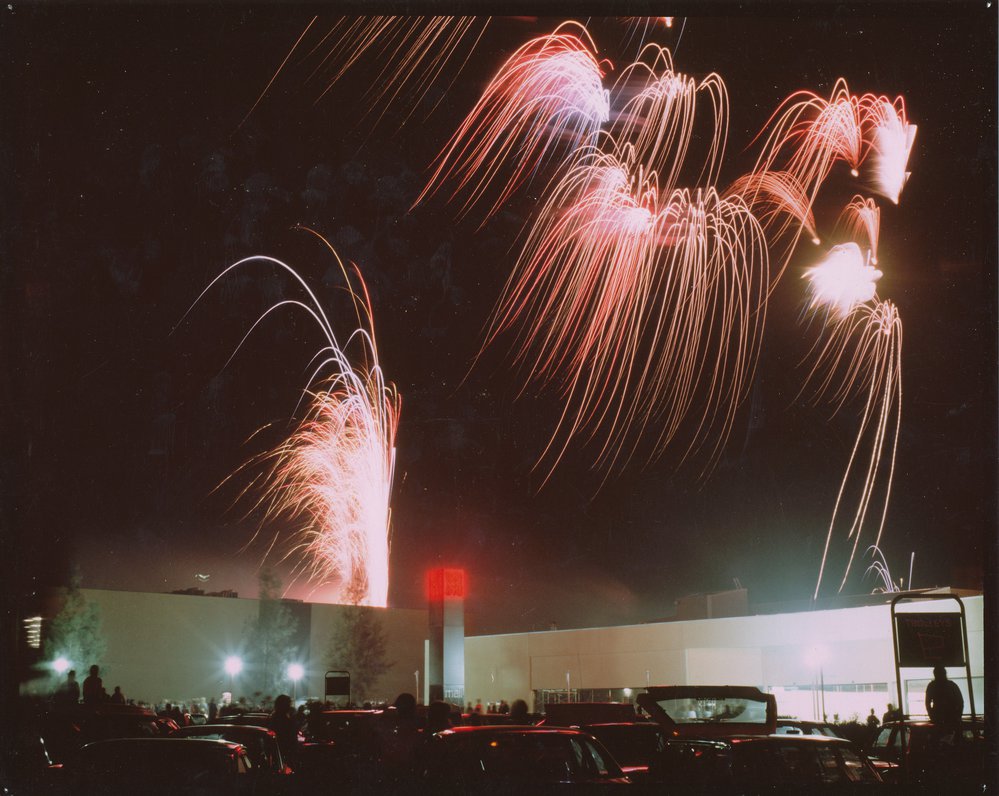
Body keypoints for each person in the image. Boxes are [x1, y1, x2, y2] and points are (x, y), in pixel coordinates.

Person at [926, 665, 963, 736]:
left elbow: (927, 703)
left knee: (939, 737)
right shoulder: (952, 685)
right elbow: (960, 702)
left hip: (939, 717)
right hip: (951, 716)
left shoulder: (932, 686)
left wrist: (932, 716)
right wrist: (958, 716)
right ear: (945, 673)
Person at [270, 694, 298, 764]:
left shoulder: (272, 719)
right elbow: (292, 740)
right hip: (284, 756)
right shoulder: (287, 721)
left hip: (275, 754)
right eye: (289, 704)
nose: (290, 706)